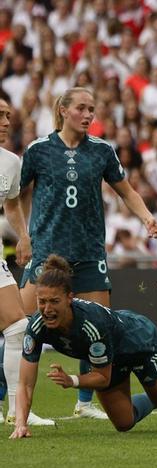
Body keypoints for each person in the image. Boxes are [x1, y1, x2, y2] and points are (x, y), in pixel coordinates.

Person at [16, 87, 157, 420]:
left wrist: (147, 218)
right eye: (81, 108)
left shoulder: (101, 151)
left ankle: (84, 402)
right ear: (63, 110)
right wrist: (23, 235)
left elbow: (125, 191)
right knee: (17, 329)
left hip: (89, 254)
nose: (88, 115)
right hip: (46, 256)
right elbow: (15, 194)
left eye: (92, 110)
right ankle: (12, 405)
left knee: (98, 327)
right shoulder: (38, 150)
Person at [9, 255, 157, 438]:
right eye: (41, 301)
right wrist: (21, 425)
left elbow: (103, 377)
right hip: (110, 358)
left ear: (69, 298)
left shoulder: (92, 325)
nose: (47, 309)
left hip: (140, 343)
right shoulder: (36, 328)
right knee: (124, 423)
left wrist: (71, 380)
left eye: (54, 301)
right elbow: (25, 384)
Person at [0, 97, 54, 426]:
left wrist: (23, 236)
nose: (7, 121)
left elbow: (10, 205)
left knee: (18, 326)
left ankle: (15, 410)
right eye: (0, 115)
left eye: (8, 115)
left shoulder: (9, 162)